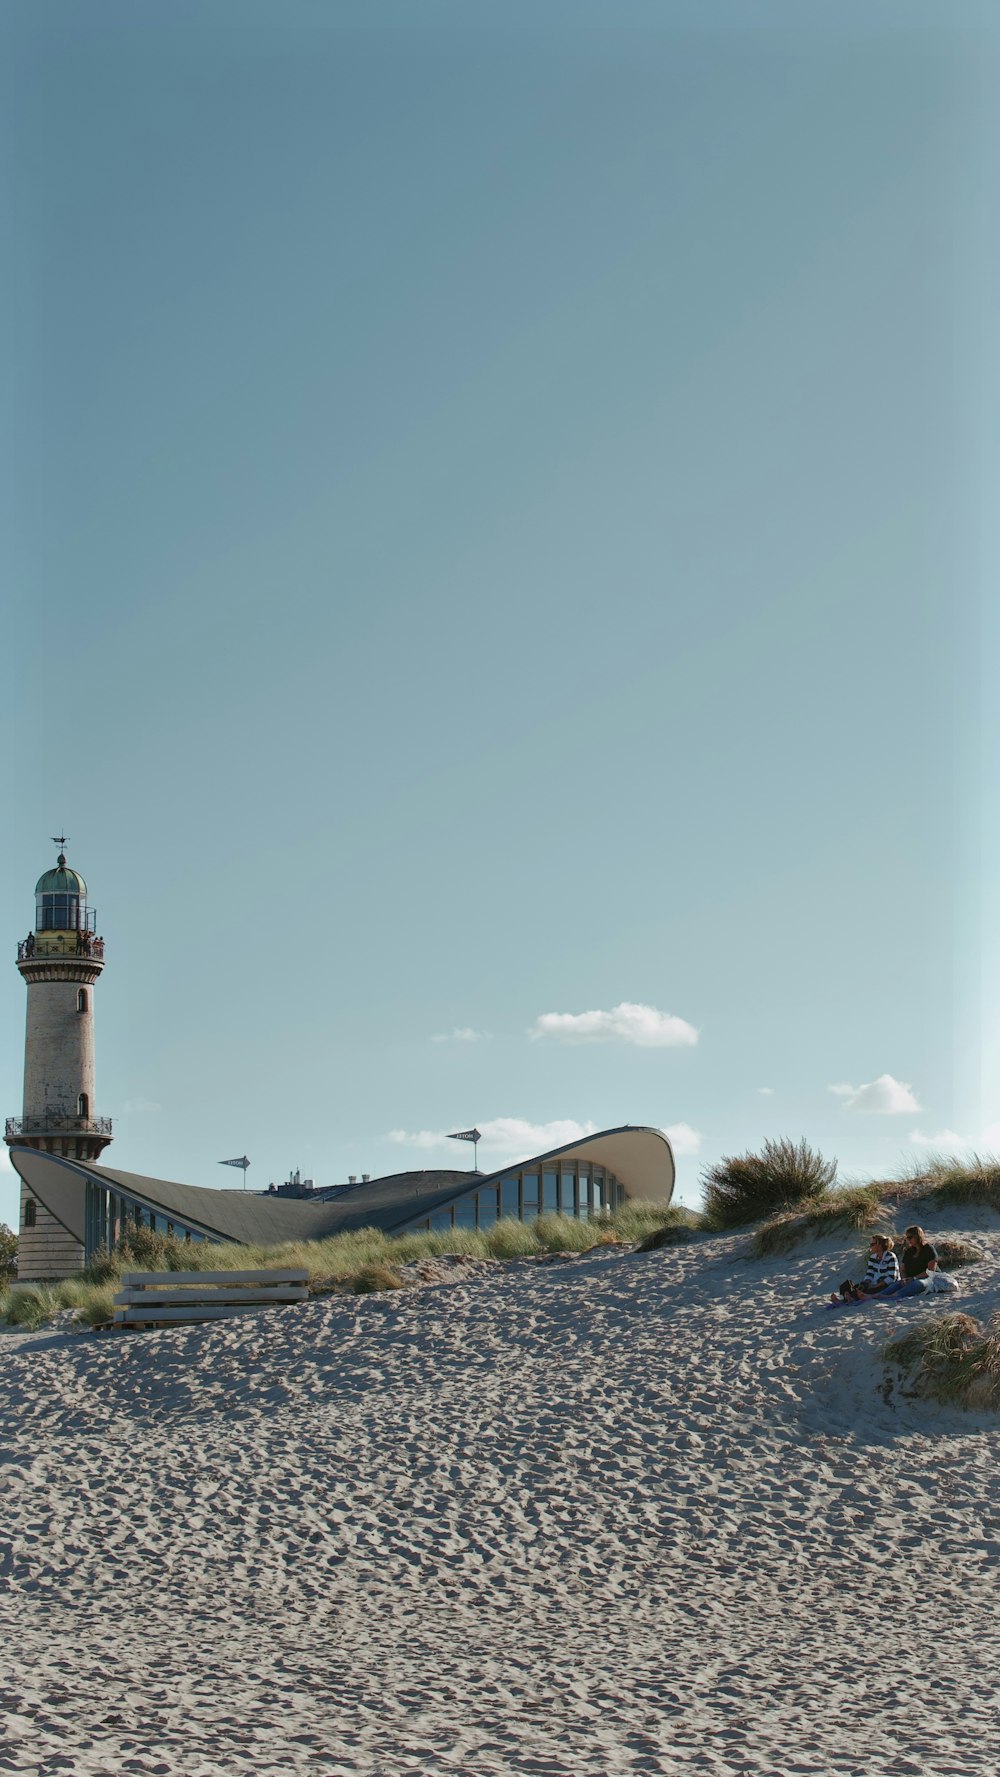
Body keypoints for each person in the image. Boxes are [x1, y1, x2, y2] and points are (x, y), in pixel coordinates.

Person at [830, 1234, 899, 1304]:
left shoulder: (890, 1256)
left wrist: (875, 1286)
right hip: (874, 1283)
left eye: (872, 1244)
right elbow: (870, 1273)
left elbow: (892, 1278)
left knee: (868, 1291)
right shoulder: (873, 1257)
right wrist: (865, 1282)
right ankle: (848, 1298)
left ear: (880, 1246)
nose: (870, 1246)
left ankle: (849, 1299)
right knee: (848, 1285)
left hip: (886, 1284)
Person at [879, 1225, 938, 1298]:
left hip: (928, 1279)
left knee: (916, 1284)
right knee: (898, 1284)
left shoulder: (928, 1249)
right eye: (907, 1237)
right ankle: (876, 1295)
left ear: (917, 1237)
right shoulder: (909, 1251)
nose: (908, 1239)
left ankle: (892, 1296)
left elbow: (931, 1270)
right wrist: (904, 1279)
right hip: (910, 1279)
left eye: (910, 1237)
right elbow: (902, 1269)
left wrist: (914, 1278)